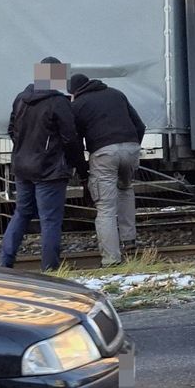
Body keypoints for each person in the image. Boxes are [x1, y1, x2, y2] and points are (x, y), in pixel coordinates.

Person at [0, 57, 86, 271]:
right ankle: (50, 267)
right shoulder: (58, 102)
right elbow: (70, 137)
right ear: (56, 77)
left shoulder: (21, 98)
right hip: (49, 169)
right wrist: (79, 166)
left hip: (22, 166)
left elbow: (12, 129)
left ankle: (5, 261)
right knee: (50, 220)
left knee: (21, 212)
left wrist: (24, 149)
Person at [68, 73, 146, 267]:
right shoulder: (116, 94)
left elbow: (74, 140)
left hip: (104, 153)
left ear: (74, 92)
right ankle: (129, 241)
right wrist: (132, 147)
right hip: (131, 147)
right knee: (126, 189)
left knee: (105, 208)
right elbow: (140, 125)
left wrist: (82, 167)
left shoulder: (77, 105)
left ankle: (111, 259)